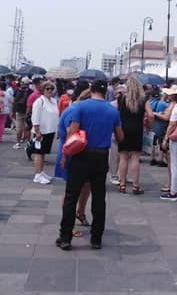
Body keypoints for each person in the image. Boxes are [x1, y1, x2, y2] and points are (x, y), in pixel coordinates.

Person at [56, 80, 123, 250]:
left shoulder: (81, 107)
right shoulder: (112, 110)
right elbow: (120, 137)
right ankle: (96, 238)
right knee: (99, 197)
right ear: (105, 92)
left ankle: (65, 237)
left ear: (91, 90)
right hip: (101, 156)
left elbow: (72, 132)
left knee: (71, 195)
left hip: (81, 154)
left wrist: (65, 155)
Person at [56, 86, 92, 238]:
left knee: (86, 184)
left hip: (77, 153)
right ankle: (67, 224)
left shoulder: (76, 109)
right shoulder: (74, 111)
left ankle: (80, 212)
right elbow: (71, 134)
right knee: (71, 191)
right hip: (71, 152)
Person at [116, 77, 147, 194]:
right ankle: (135, 186)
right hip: (137, 130)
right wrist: (147, 123)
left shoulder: (121, 98)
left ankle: (122, 184)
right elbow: (150, 114)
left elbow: (117, 112)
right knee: (135, 157)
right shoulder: (143, 99)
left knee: (123, 157)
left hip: (123, 129)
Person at [31, 81, 59, 183]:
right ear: (43, 90)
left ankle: (41, 171)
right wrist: (37, 130)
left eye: (52, 88)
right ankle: (37, 174)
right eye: (47, 88)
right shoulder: (39, 101)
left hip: (50, 130)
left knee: (44, 153)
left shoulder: (54, 101)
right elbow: (35, 117)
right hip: (41, 131)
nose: (50, 90)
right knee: (39, 152)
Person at [13, 77, 31, 148]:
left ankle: (18, 143)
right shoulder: (30, 91)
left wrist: (13, 111)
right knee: (27, 127)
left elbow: (14, 101)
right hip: (28, 111)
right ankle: (28, 143)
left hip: (18, 110)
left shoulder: (17, 90)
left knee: (19, 127)